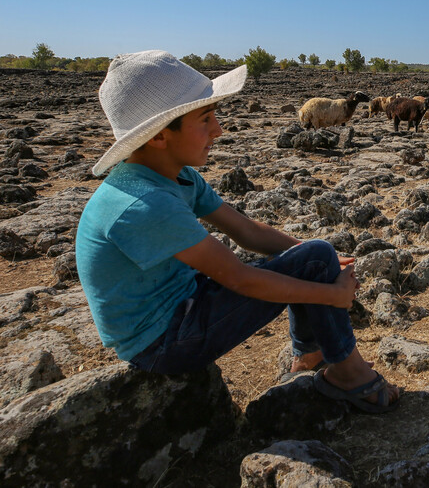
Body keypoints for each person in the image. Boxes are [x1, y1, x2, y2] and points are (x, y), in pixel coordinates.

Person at [75, 50, 399, 413]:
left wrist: (315, 259)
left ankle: (311, 356)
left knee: (317, 253)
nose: (219, 129)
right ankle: (349, 374)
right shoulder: (146, 203)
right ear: (159, 136)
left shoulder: (175, 176)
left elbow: (245, 230)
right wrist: (330, 295)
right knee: (316, 262)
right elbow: (240, 279)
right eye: (206, 118)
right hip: (164, 341)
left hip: (183, 306)